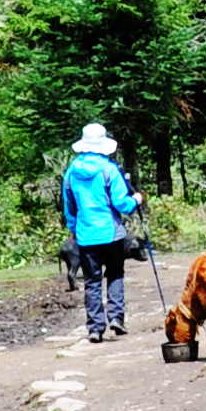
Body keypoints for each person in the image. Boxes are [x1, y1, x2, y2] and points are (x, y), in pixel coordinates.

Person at [60, 123, 146, 342]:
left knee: (92, 281)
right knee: (115, 274)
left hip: (86, 235)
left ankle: (95, 327)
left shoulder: (71, 172)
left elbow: (69, 206)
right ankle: (116, 317)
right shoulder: (109, 170)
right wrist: (136, 199)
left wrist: (73, 228)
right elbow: (122, 205)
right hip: (111, 234)